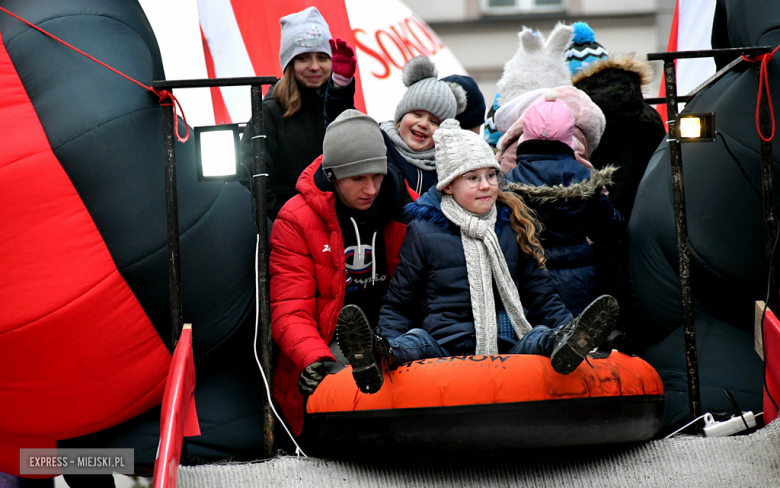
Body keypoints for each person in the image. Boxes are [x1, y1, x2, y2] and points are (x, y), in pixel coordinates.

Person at [335, 119, 619, 394]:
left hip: (508, 343)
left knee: (539, 336)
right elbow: (400, 304)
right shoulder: (423, 232)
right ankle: (377, 354)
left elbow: (542, 296)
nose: (485, 185)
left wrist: (563, 326)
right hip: (444, 345)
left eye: (491, 175)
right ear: (448, 186)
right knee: (415, 341)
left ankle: (570, 342)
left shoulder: (512, 226)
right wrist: (390, 337)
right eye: (472, 178)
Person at [269, 109, 408, 436]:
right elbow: (290, 307)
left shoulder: (404, 207)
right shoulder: (296, 219)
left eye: (377, 175)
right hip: (329, 344)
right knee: (344, 362)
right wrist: (316, 359)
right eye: (357, 178)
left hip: (394, 334)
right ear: (332, 175)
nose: (371, 189)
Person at [505, 93, 624, 315]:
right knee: (578, 343)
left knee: (534, 345)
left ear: (525, 135)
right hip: (579, 286)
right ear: (570, 138)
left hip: (527, 287)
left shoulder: (508, 182)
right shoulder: (587, 180)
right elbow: (610, 229)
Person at [240, 7, 358, 219]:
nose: (314, 66)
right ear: (290, 64)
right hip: (292, 230)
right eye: (303, 58)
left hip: (341, 224)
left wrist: (342, 90)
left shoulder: (342, 105)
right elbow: (253, 179)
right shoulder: (269, 112)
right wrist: (281, 222)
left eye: (322, 57)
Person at [324, 56, 467, 198]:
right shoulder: (377, 141)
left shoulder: (445, 166)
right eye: (417, 114)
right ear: (400, 117)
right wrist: (341, 86)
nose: (423, 124)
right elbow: (343, 131)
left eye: (434, 122)